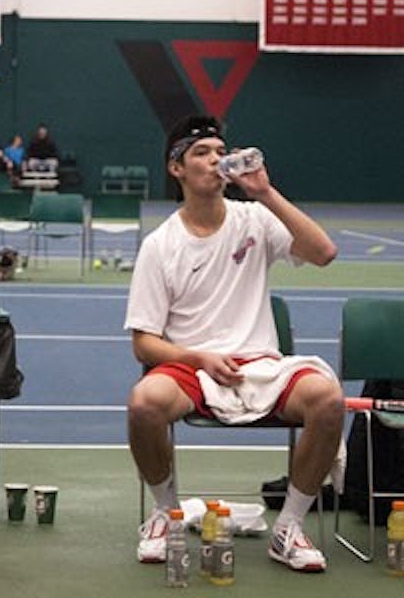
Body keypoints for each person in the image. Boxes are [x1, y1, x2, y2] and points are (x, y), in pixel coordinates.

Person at [126, 115, 342, 573]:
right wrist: (199, 357)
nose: (215, 160)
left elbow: (323, 253)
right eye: (201, 153)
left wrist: (265, 192)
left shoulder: (255, 219)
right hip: (192, 367)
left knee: (327, 399)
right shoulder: (160, 244)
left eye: (220, 152)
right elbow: (144, 343)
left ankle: (288, 527)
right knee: (144, 404)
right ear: (177, 168)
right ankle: (166, 513)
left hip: (260, 364)